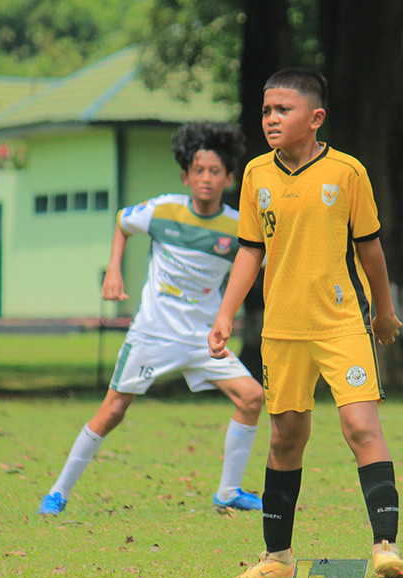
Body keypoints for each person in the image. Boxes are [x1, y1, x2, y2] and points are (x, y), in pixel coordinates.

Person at [209, 68, 403, 578]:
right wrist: (225, 315)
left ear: (315, 118)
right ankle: (277, 559)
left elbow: (370, 249)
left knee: (361, 428)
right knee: (285, 438)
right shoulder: (256, 174)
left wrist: (382, 311)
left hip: (341, 324)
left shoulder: (347, 173)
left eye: (283, 110)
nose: (271, 119)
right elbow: (250, 251)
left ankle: (385, 547)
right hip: (282, 330)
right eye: (266, 110)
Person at [38, 122, 265, 516]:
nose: (206, 179)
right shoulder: (163, 210)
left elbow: (254, 264)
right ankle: (58, 492)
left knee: (252, 397)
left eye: (215, 172)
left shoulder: (237, 226)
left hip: (203, 338)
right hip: (153, 334)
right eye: (198, 171)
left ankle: (228, 492)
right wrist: (114, 269)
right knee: (113, 410)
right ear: (185, 176)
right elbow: (124, 222)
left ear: (229, 178)